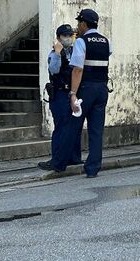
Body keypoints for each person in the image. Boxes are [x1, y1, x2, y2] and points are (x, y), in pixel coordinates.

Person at [50, 9, 112, 178]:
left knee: (72, 126)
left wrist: (72, 94)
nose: (78, 27)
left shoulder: (82, 42)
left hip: (86, 90)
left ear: (84, 24)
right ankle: (93, 168)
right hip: (102, 89)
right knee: (96, 130)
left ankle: (58, 163)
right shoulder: (106, 41)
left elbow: (77, 70)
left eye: (79, 23)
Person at [38, 24, 82, 171]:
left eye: (71, 36)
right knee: (61, 127)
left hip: (73, 92)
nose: (69, 38)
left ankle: (74, 157)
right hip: (60, 94)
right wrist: (58, 53)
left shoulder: (76, 51)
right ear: (58, 38)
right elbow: (54, 70)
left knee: (74, 125)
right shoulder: (54, 54)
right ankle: (57, 158)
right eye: (65, 36)